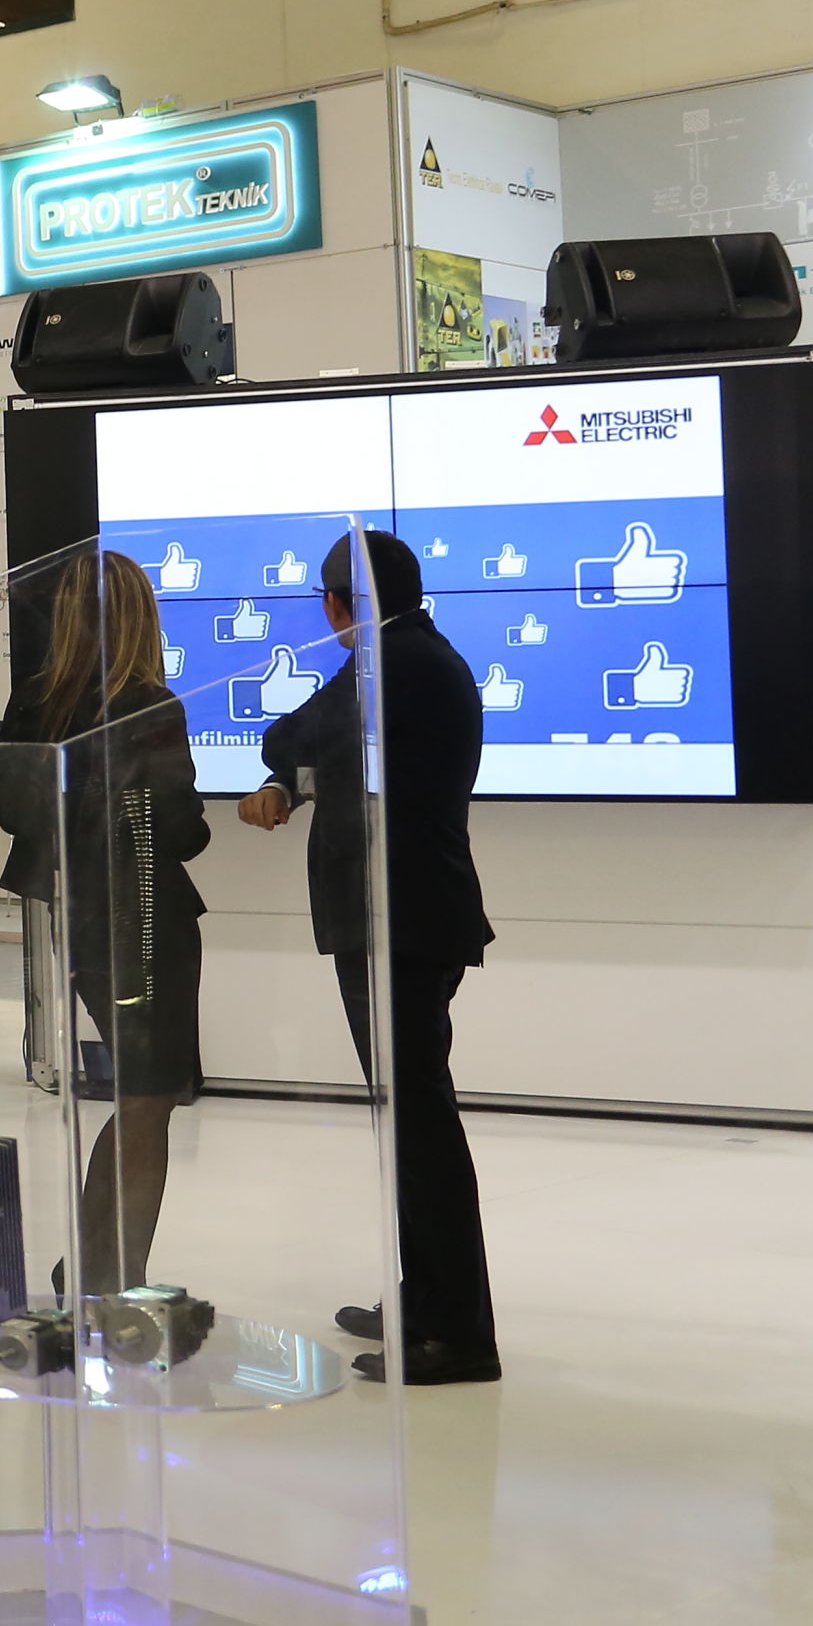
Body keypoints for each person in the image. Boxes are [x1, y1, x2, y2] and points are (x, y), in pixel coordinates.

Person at [239, 531, 500, 1387]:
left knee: (421, 1127)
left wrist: (284, 771)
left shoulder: (392, 666)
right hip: (407, 916)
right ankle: (425, 1303)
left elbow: (291, 733)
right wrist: (292, 781)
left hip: (402, 921)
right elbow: (333, 758)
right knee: (412, 1120)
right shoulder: (417, 657)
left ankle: (458, 1333)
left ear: (336, 605)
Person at [0, 549, 207, 1294]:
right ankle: (117, 1279)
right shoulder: (149, 702)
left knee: (138, 1095)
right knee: (150, 1100)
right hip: (148, 919)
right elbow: (180, 829)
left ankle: (92, 1268)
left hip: (84, 916)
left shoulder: (35, 702)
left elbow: (16, 813)